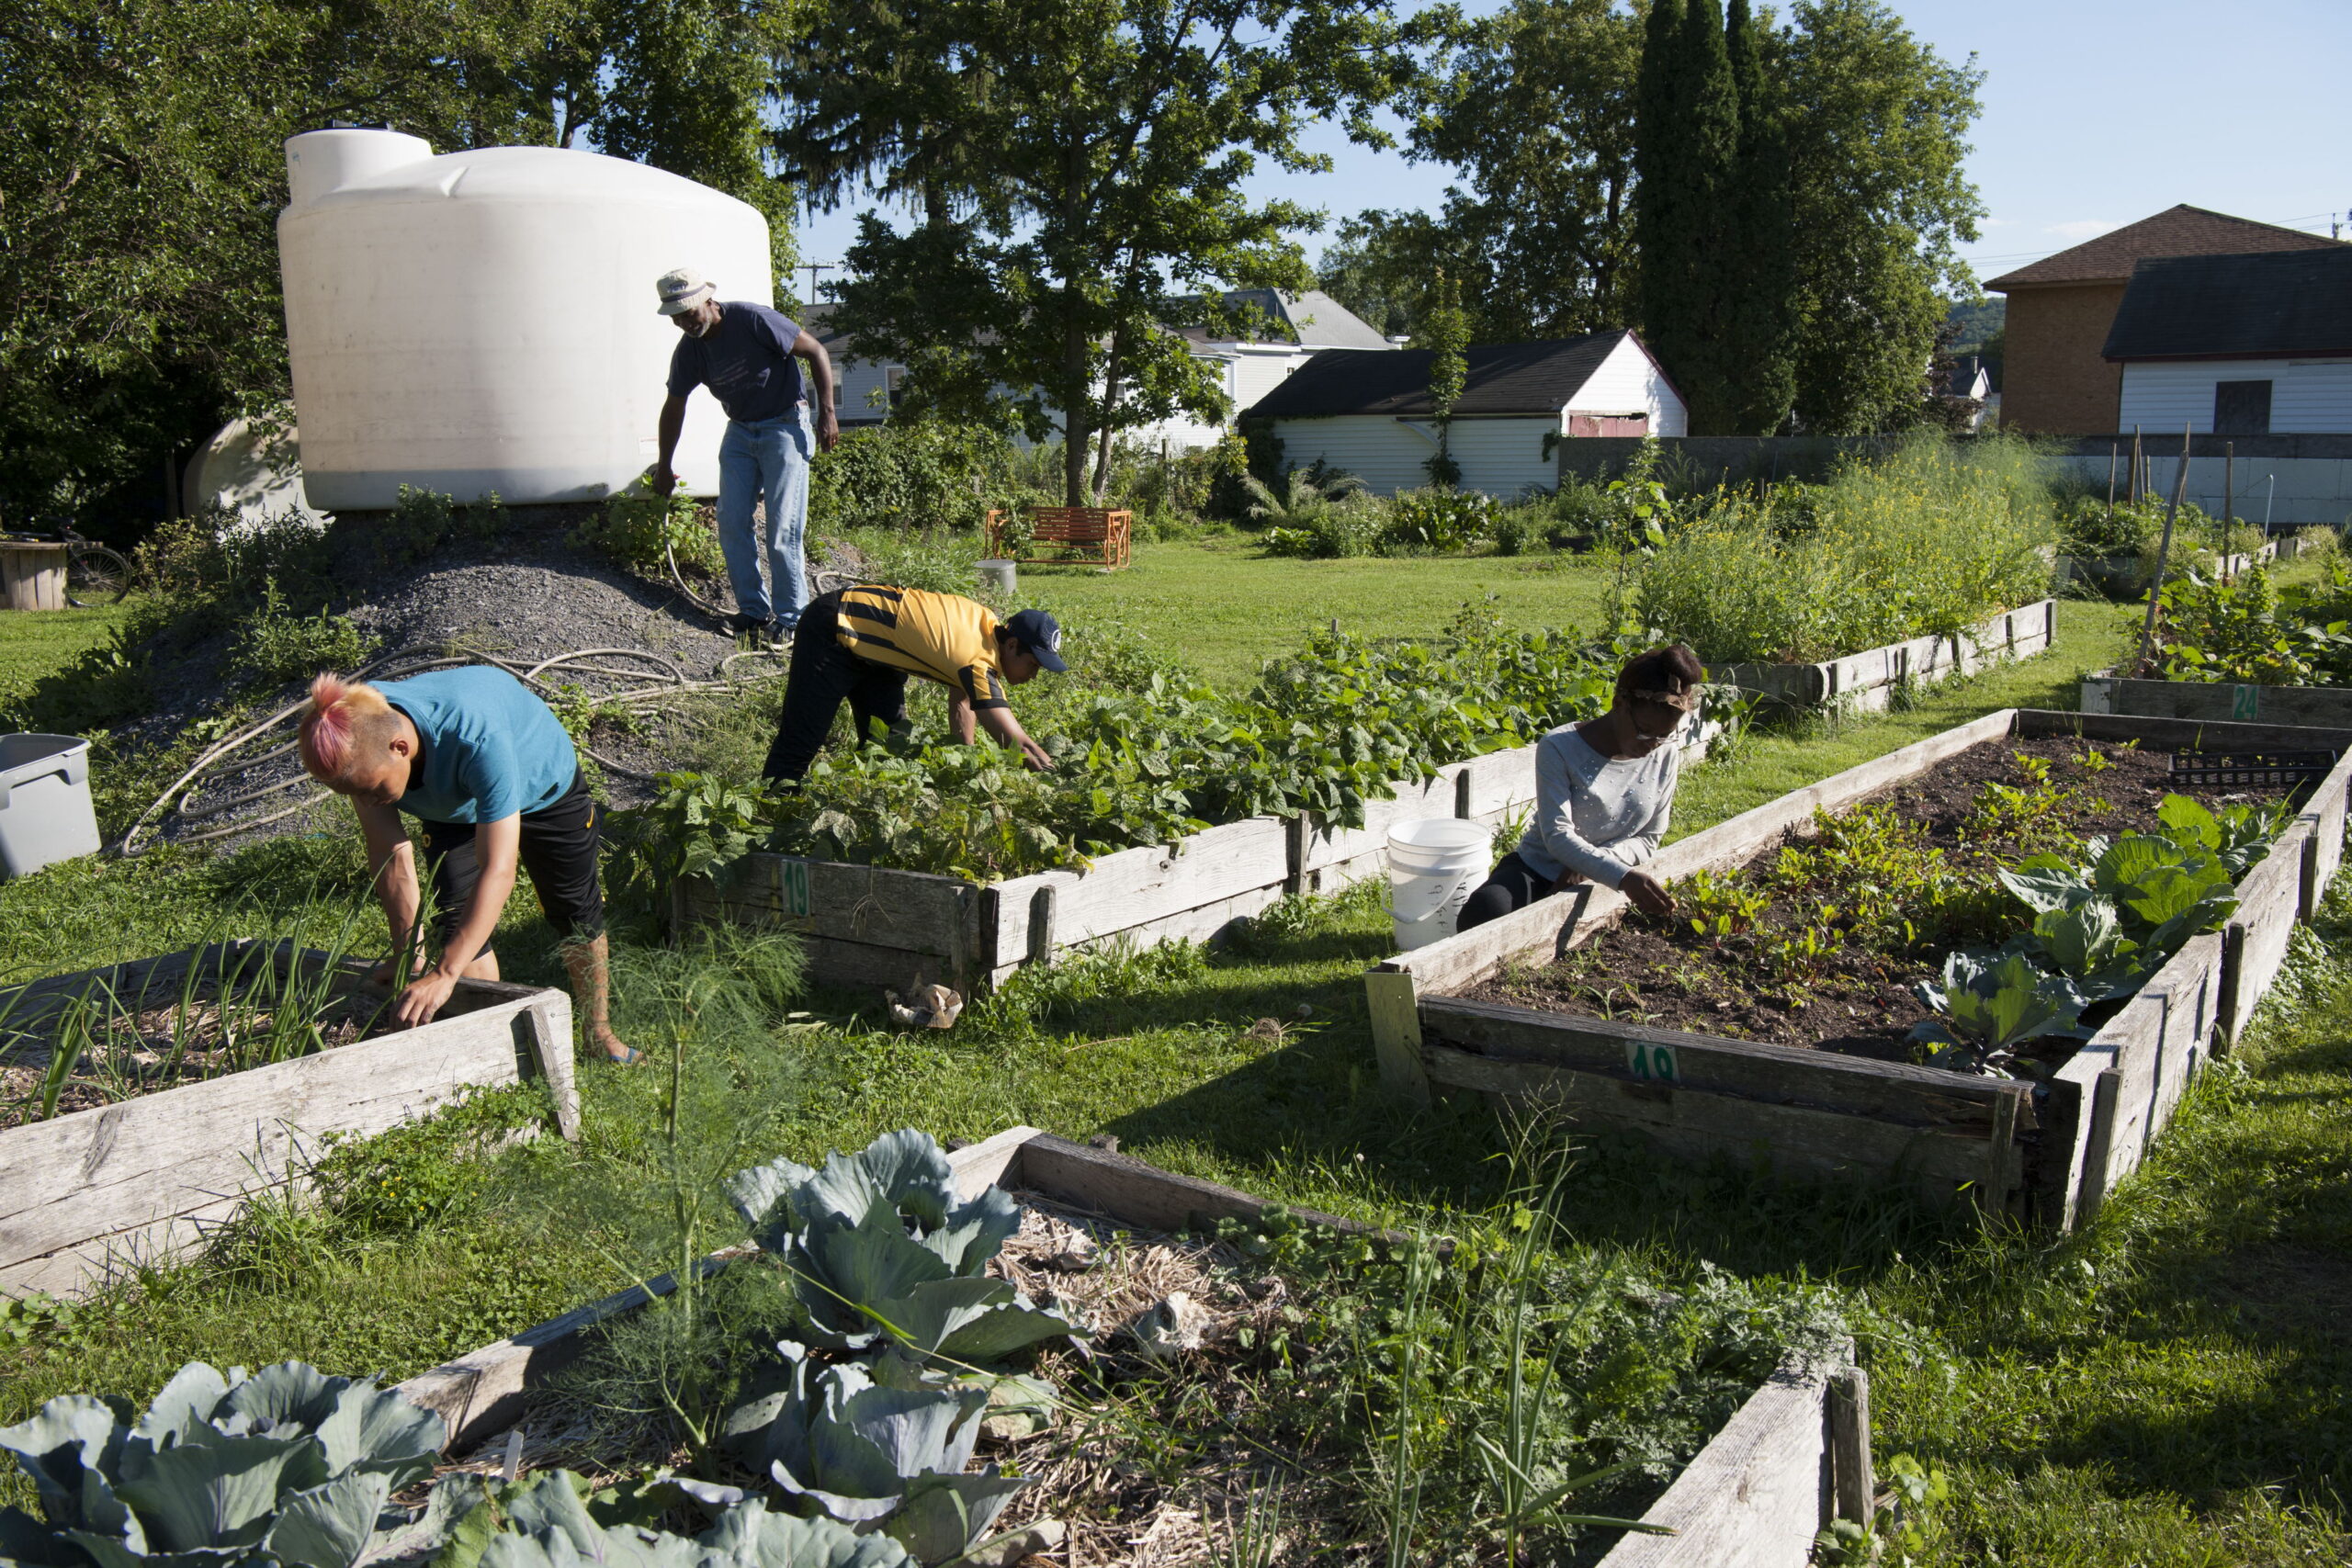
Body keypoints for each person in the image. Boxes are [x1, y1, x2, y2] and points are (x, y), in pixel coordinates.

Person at [296, 667, 637, 1064]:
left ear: (400, 748)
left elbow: (498, 869)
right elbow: (391, 855)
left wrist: (444, 974)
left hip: (540, 787)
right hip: (453, 807)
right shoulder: (355, 730)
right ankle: (495, 1059)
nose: (367, 802)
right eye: (353, 794)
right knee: (458, 923)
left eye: (370, 790)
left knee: (573, 910)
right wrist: (410, 953)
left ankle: (598, 1032)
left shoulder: (475, 738)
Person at [649, 266, 840, 641]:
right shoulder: (690, 351)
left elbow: (815, 350)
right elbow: (674, 406)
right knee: (732, 521)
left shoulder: (752, 319)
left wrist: (828, 413)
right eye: (677, 318)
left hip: (785, 424)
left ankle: (791, 619)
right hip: (740, 430)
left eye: (689, 312)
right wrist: (665, 465)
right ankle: (754, 612)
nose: (685, 322)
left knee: (782, 528)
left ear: (708, 300)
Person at [1454, 644, 1702, 932]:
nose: (1652, 745)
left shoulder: (1664, 753)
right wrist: (1620, 877)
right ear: (1619, 704)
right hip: (1540, 868)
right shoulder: (1560, 746)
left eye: (1664, 736)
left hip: (1610, 868)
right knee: (1483, 912)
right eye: (1646, 731)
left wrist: (1592, 868)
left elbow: (1649, 837)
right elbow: (1557, 836)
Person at [763, 584, 1069, 783]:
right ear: (1012, 645)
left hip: (878, 654)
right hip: (834, 628)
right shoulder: (976, 660)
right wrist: (1061, 782)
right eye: (1033, 665)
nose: (1033, 676)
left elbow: (963, 701)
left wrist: (966, 769)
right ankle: (770, 828)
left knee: (888, 747)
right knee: (800, 742)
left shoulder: (987, 626)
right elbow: (1020, 745)